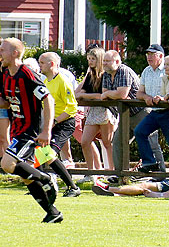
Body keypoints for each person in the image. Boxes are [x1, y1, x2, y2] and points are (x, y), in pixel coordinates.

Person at [0, 38, 68, 222]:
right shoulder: (5, 74)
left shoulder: (27, 73)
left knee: (7, 164)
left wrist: (46, 131)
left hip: (30, 131)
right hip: (17, 129)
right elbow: (5, 101)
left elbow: (48, 99)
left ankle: (46, 178)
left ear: (15, 53)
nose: (0, 53)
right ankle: (53, 213)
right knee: (27, 177)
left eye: (2, 50)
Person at [38, 52, 80, 196]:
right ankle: (45, 185)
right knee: (41, 153)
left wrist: (55, 121)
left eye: (42, 63)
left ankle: (73, 187)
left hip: (64, 124)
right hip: (52, 124)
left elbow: (72, 108)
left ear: (52, 64)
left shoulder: (63, 81)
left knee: (48, 154)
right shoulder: (45, 82)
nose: (39, 66)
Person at [100, 50, 142, 172]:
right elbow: (104, 93)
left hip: (139, 112)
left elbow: (122, 94)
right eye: (104, 61)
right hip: (125, 115)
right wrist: (111, 94)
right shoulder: (107, 74)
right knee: (117, 143)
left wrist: (109, 93)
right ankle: (120, 175)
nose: (104, 64)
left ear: (117, 61)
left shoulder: (123, 70)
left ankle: (159, 173)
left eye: (107, 61)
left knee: (150, 143)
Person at [76, 47, 115, 171]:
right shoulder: (90, 75)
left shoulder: (106, 76)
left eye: (93, 59)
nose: (90, 62)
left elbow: (103, 96)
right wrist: (88, 96)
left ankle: (112, 170)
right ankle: (91, 171)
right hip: (93, 111)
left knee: (107, 142)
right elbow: (78, 94)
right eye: (89, 59)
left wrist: (86, 96)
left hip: (105, 111)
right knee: (85, 141)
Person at [135, 44, 168, 171]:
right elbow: (139, 93)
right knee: (140, 131)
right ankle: (149, 162)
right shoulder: (146, 71)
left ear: (160, 56)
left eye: (152, 54)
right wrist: (146, 97)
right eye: (147, 54)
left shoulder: (167, 69)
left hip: (168, 111)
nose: (149, 57)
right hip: (154, 112)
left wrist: (162, 98)